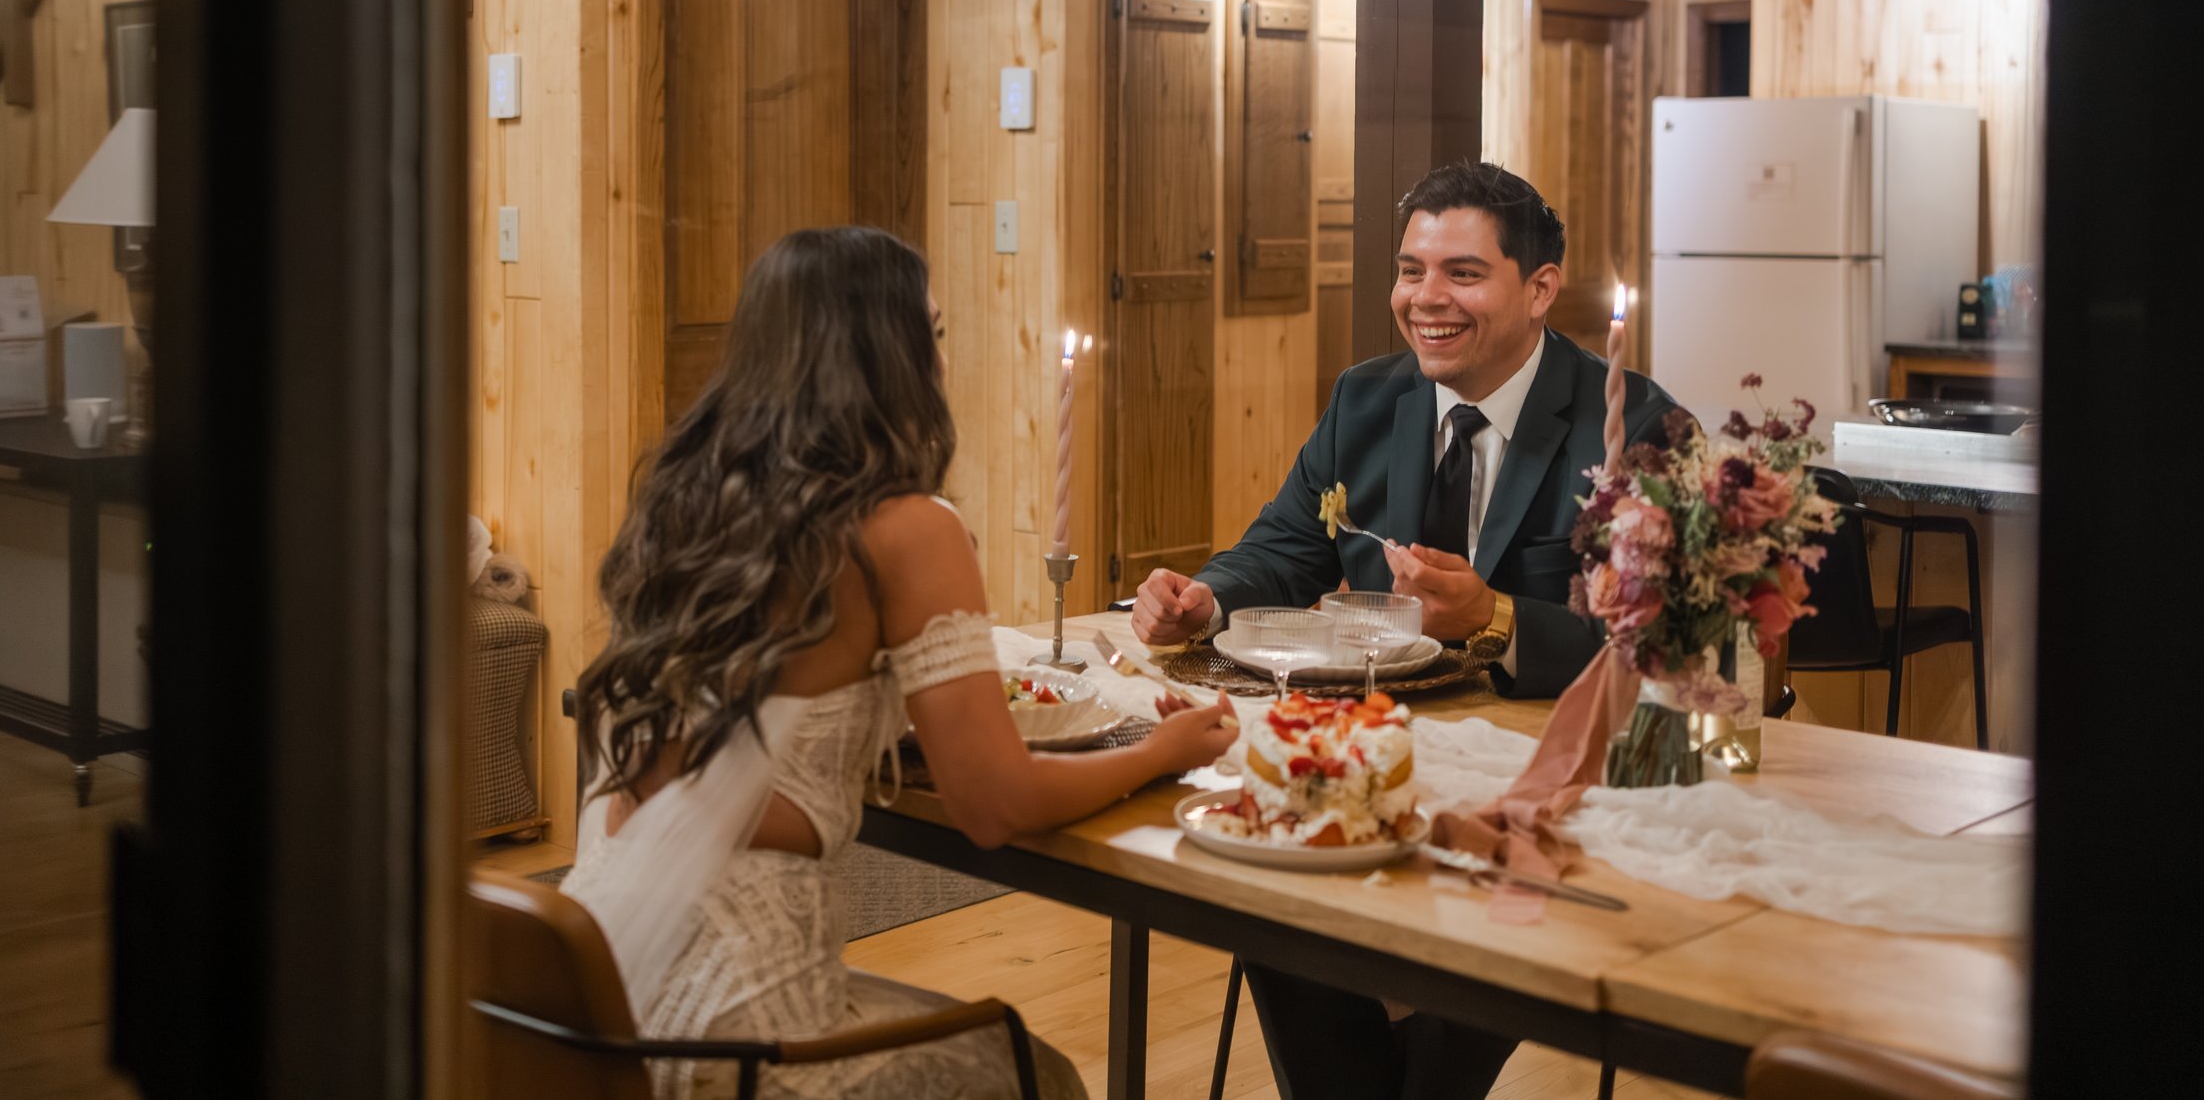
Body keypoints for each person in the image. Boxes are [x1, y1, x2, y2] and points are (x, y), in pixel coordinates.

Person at [565, 226, 1237, 1100]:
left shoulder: (685, 496)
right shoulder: (909, 525)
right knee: (1039, 1077)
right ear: (893, 355)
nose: (942, 359)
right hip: (749, 1027)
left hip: (595, 983)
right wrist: (1160, 751)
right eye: (936, 332)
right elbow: (994, 804)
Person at [1130, 161, 1678, 1100]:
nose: (1427, 298)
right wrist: (1206, 599)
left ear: (1540, 287)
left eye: (1463, 272)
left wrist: (1498, 617)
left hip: (1534, 783)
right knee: (1276, 903)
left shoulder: (1633, 423)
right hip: (1369, 759)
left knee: (1449, 977)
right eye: (1411, 269)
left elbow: (1663, 645)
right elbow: (1288, 544)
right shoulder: (1365, 397)